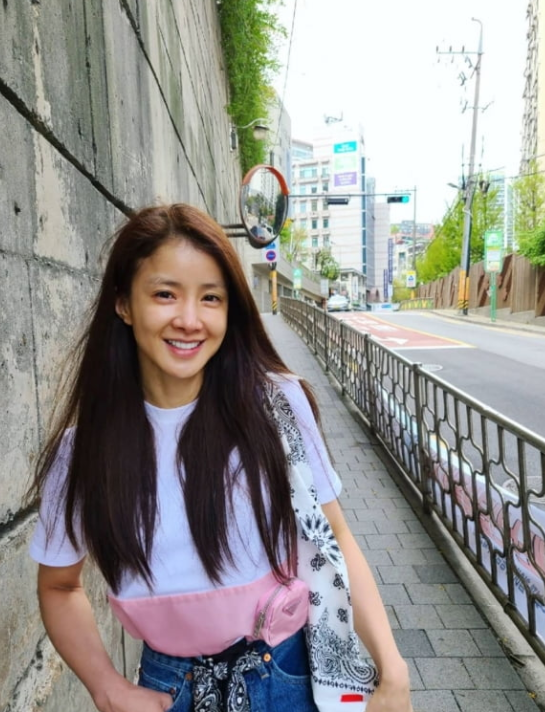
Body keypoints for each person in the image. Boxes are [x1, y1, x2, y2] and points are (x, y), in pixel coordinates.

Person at [27, 204, 413, 712]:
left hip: (289, 678)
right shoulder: (83, 453)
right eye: (165, 294)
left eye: (211, 298)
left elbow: (333, 535)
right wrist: (106, 687)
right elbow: (59, 585)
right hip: (169, 690)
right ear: (123, 303)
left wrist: (392, 669)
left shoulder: (276, 407)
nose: (189, 320)